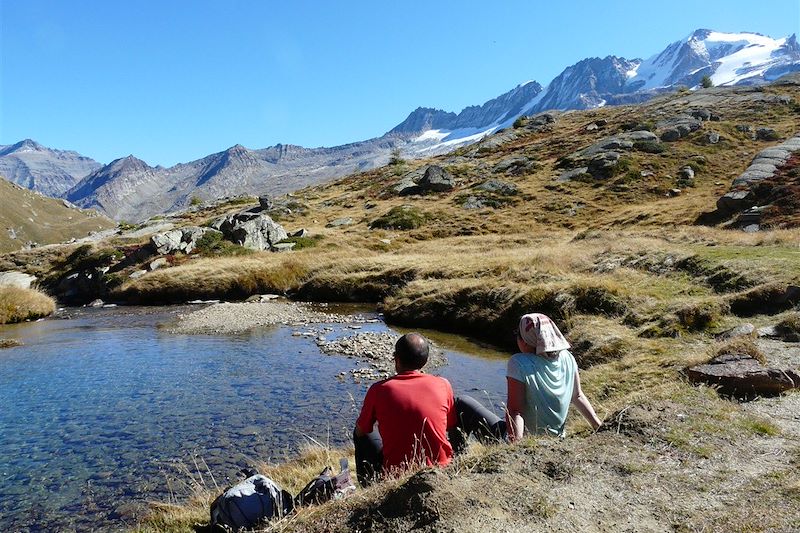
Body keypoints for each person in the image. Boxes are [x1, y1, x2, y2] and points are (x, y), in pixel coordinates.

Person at [353, 333, 503, 487]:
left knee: (363, 431)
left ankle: (369, 485)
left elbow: (361, 431)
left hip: (396, 475)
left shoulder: (378, 390)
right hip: (440, 470)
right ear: (425, 362)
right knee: (459, 405)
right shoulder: (443, 384)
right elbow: (450, 424)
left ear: (396, 359)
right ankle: (471, 450)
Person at [505, 313, 602, 440]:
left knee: (469, 406)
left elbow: (515, 411)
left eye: (519, 335)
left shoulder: (519, 363)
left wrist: (516, 449)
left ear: (527, 340)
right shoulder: (567, 357)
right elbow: (577, 396)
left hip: (528, 442)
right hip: (557, 440)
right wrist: (599, 426)